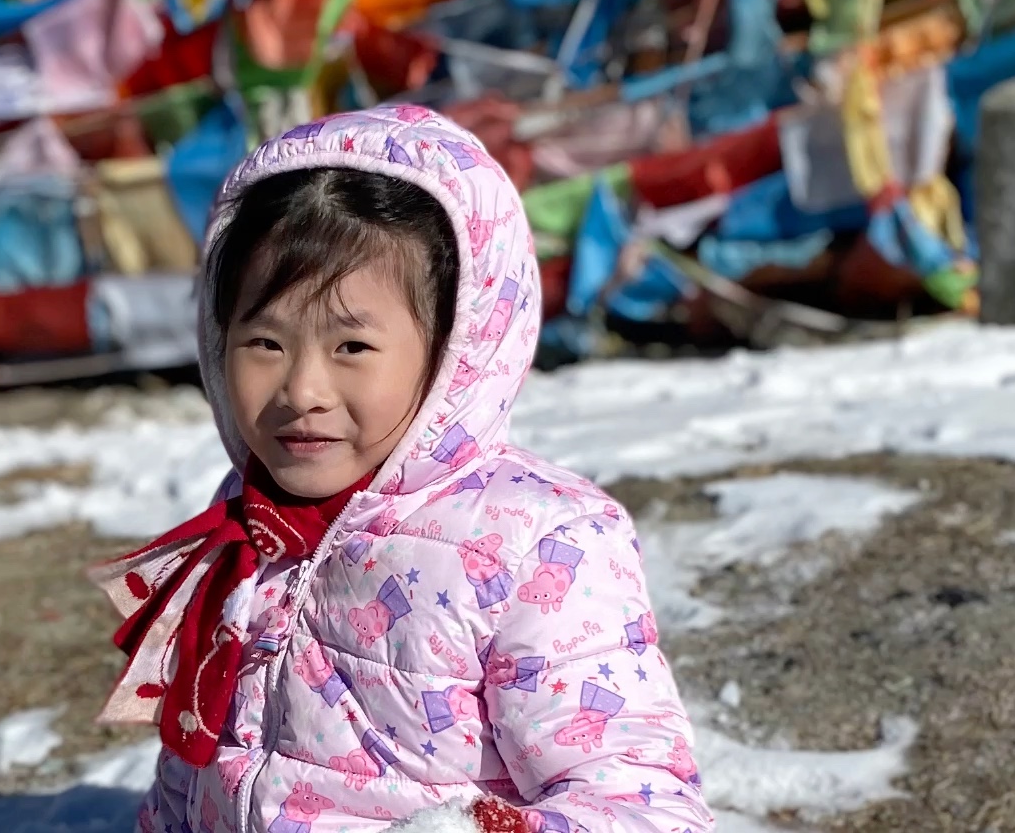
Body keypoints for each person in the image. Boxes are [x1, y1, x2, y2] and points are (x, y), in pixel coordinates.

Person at [91, 105, 713, 833]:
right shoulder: (251, 516)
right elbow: (200, 759)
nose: (301, 393)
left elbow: (642, 803)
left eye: (351, 347)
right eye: (264, 341)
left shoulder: (540, 544)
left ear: (457, 346)